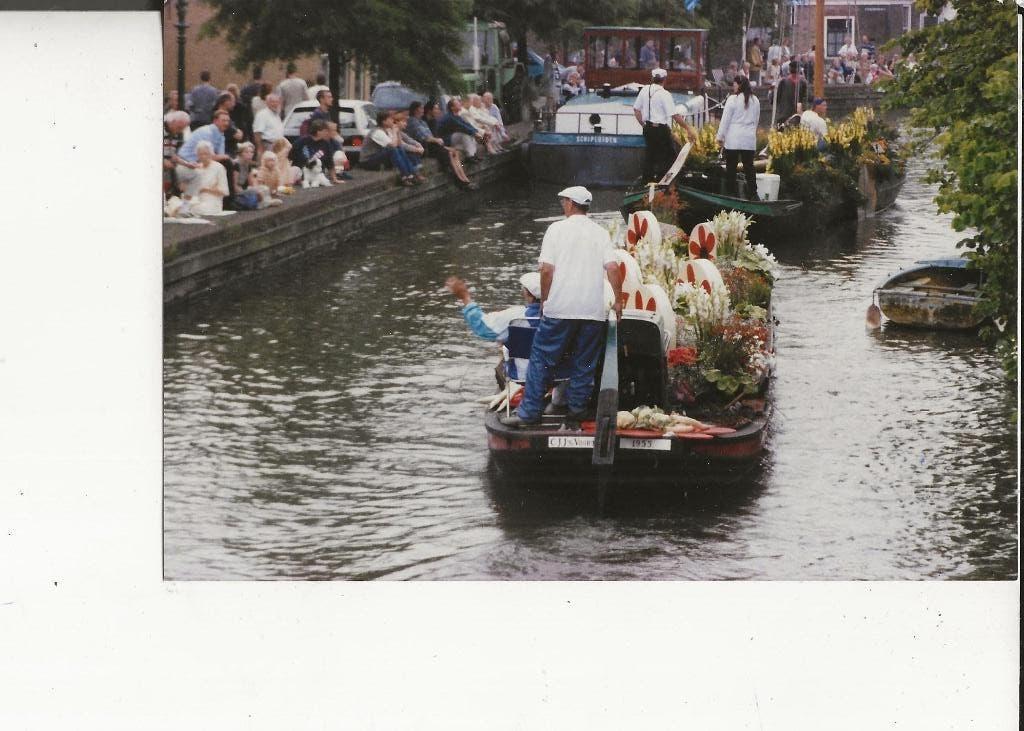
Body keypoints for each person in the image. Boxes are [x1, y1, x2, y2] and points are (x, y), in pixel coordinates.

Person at [500, 186, 623, 428]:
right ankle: (576, 412)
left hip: (560, 309)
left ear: (569, 204)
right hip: (592, 311)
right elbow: (613, 269)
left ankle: (529, 414)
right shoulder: (600, 233)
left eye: (563, 201)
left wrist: (545, 300)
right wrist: (618, 301)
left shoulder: (555, 230)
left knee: (542, 359)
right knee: (584, 362)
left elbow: (546, 269)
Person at [633, 67, 697, 183]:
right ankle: (663, 183)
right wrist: (688, 128)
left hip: (648, 128)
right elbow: (675, 116)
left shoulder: (644, 90)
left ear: (652, 78)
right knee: (669, 156)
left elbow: (636, 110)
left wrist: (644, 125)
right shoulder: (664, 94)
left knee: (650, 156)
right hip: (661, 129)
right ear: (664, 79)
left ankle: (647, 183)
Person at [446, 272, 542, 342]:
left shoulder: (517, 316)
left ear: (527, 293)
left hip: (523, 368)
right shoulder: (554, 316)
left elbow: (483, 327)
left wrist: (465, 297)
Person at [407, 101, 474, 187]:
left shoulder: (422, 122)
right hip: (425, 147)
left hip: (433, 144)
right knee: (449, 153)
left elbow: (430, 136)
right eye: (421, 108)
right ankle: (459, 179)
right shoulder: (412, 122)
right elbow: (423, 137)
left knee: (455, 152)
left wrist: (438, 142)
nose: (423, 110)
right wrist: (436, 140)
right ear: (416, 110)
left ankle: (465, 178)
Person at [716, 75, 760, 200]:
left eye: (734, 84)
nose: (733, 86)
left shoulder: (732, 100)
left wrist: (720, 136)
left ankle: (731, 193)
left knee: (731, 167)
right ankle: (753, 194)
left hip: (734, 139)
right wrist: (752, 133)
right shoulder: (755, 100)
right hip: (748, 139)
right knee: (749, 167)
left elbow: (725, 120)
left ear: (739, 85)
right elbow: (756, 120)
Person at [358, 112, 421, 186]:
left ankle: (412, 174)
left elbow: (399, 145)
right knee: (392, 149)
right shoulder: (377, 132)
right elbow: (393, 145)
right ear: (384, 122)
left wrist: (397, 133)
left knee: (399, 148)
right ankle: (405, 176)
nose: (392, 121)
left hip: (378, 157)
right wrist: (394, 132)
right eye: (390, 119)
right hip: (368, 161)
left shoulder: (386, 130)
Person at [176, 140, 229, 216]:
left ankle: (184, 211)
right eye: (200, 154)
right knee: (175, 202)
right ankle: (183, 210)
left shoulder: (219, 168)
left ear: (211, 154)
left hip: (211, 202)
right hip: (195, 199)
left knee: (198, 208)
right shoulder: (197, 168)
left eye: (206, 154)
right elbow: (184, 188)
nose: (203, 156)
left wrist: (205, 189)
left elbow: (224, 191)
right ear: (197, 155)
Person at [289, 119, 342, 184]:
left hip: (317, 175)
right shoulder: (302, 141)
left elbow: (330, 163)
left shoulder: (326, 143)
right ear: (318, 132)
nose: (327, 133)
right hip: (301, 174)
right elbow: (290, 157)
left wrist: (334, 179)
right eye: (325, 131)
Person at [436, 98, 487, 162]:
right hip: (445, 140)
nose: (460, 104)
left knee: (470, 136)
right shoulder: (449, 117)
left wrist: (476, 131)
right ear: (452, 108)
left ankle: (473, 155)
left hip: (453, 139)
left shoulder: (457, 116)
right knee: (464, 134)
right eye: (457, 104)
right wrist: (475, 133)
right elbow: (462, 126)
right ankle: (470, 156)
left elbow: (467, 125)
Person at [163, 110, 194, 198]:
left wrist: (187, 164)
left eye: (182, 128)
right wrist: (162, 161)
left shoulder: (176, 134)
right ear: (172, 122)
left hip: (168, 167)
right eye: (179, 127)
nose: (180, 131)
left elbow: (173, 157)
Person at [252, 93, 284, 158]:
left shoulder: (276, 115)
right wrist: (260, 149)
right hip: (267, 145)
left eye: (277, 102)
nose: (275, 104)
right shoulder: (262, 114)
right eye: (272, 102)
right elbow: (257, 133)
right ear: (267, 103)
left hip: (278, 146)